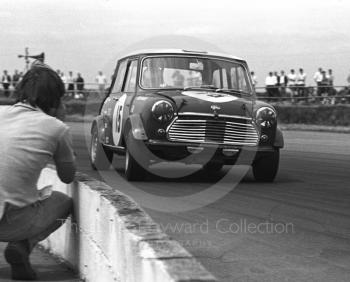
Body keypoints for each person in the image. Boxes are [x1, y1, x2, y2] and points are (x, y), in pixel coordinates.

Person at [0, 61, 76, 280]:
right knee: (62, 202)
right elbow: (67, 176)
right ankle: (22, 245)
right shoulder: (56, 127)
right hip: (12, 223)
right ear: (56, 99)